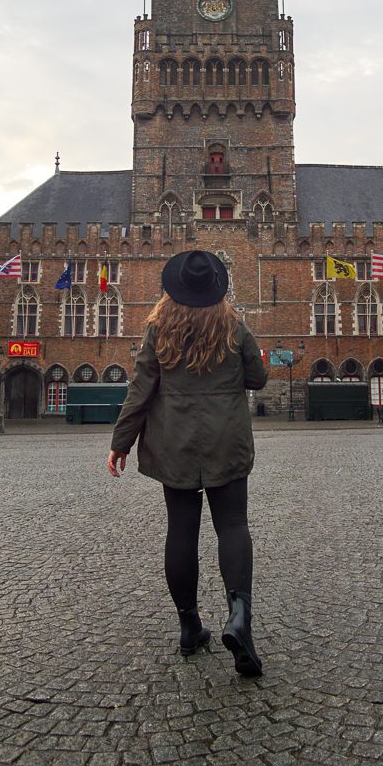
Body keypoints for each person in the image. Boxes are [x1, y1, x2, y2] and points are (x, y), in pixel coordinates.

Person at [107, 249, 268, 677]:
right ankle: (239, 618)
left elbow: (141, 387)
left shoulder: (159, 327)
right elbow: (258, 377)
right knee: (233, 525)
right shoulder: (234, 324)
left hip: (173, 442)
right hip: (226, 439)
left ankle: (189, 626)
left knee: (181, 530)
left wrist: (120, 442)